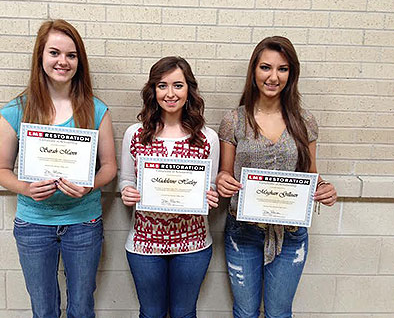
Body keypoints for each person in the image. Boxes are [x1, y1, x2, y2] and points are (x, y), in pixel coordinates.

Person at [0, 19, 117, 318]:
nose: (63, 61)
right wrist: (25, 187)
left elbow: (110, 166)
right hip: (33, 224)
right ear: (41, 57)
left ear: (79, 61)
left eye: (71, 55)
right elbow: (1, 170)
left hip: (84, 222)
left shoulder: (96, 109)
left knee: (82, 307)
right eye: (54, 53)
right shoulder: (16, 111)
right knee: (44, 308)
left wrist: (91, 185)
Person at [216, 36, 337, 318]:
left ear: (291, 74)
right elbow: (225, 172)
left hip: (290, 234)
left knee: (279, 313)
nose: (273, 76)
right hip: (243, 231)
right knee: (245, 312)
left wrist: (324, 188)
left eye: (282, 69)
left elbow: (311, 173)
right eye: (265, 67)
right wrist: (223, 180)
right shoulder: (234, 119)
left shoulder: (304, 121)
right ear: (254, 71)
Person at [120, 56, 220, 318]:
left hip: (193, 244)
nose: (170, 93)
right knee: (151, 314)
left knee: (184, 314)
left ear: (189, 90)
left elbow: (210, 186)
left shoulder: (207, 138)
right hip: (144, 244)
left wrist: (211, 196)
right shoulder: (136, 134)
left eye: (178, 85)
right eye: (162, 85)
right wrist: (127, 192)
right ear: (153, 91)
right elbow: (126, 180)